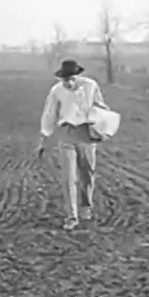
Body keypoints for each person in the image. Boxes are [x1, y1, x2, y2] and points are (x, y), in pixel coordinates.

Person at [36, 59, 111, 230]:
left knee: (87, 174)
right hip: (66, 134)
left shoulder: (91, 86)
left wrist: (105, 127)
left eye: (71, 78)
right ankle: (71, 217)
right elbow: (49, 115)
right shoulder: (56, 92)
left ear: (77, 76)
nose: (69, 82)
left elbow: (100, 106)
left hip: (86, 134)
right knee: (69, 177)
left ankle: (86, 207)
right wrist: (43, 139)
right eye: (65, 79)